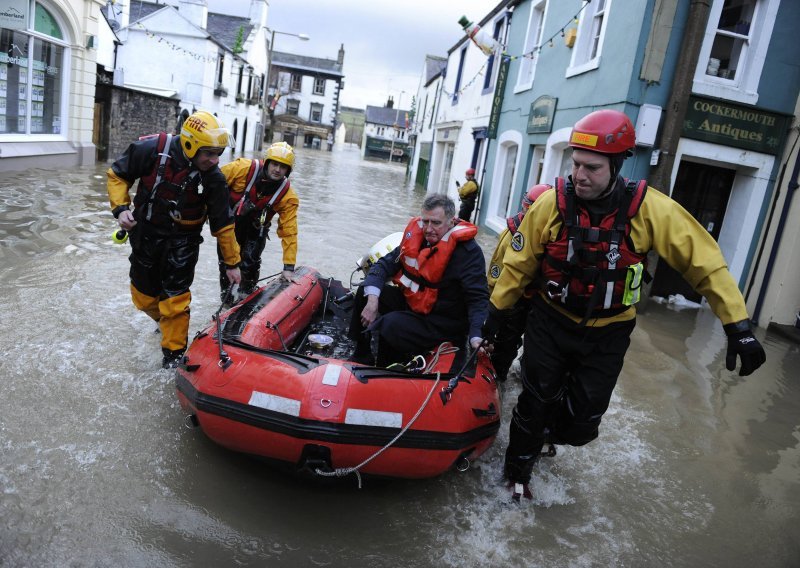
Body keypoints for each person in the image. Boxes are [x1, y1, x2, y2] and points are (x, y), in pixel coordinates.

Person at [484, 109, 766, 501]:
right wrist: (494, 318)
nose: (579, 175)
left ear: (616, 165)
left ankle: (549, 433)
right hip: (551, 321)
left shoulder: (651, 210)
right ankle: (516, 477)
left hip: (610, 331)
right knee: (535, 400)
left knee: (582, 425)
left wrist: (738, 326)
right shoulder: (550, 204)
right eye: (576, 164)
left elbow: (706, 261)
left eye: (592, 168)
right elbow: (517, 265)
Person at [107, 110, 242, 369]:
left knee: (175, 300)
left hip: (184, 241)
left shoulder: (214, 179)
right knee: (143, 298)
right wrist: (121, 208)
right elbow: (117, 175)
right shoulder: (150, 149)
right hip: (145, 233)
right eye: (209, 154)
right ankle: (165, 322)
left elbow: (223, 225)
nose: (215, 161)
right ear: (191, 145)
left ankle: (173, 357)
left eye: (218, 154)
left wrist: (232, 263)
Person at [349, 194, 489, 367]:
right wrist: (372, 301)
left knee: (390, 324)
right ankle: (362, 354)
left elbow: (478, 298)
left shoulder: (468, 253)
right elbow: (382, 266)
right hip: (414, 305)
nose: (428, 228)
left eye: (436, 223)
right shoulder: (416, 239)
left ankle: (387, 370)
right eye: (425, 221)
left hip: (441, 321)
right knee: (365, 291)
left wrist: (476, 335)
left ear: (451, 222)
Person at [218, 141, 300, 301]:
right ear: (267, 162)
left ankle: (246, 295)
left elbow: (289, 231)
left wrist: (288, 267)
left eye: (282, 167)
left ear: (288, 170)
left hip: (256, 230)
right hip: (230, 226)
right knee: (227, 264)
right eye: (274, 164)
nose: (277, 170)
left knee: (250, 262)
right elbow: (212, 183)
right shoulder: (241, 169)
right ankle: (227, 300)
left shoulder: (288, 196)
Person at [486, 183, 551, 382]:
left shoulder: (552, 236)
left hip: (539, 302)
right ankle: (498, 377)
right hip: (513, 300)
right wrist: (493, 306)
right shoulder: (513, 234)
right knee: (505, 344)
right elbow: (496, 272)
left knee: (537, 352)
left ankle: (523, 374)